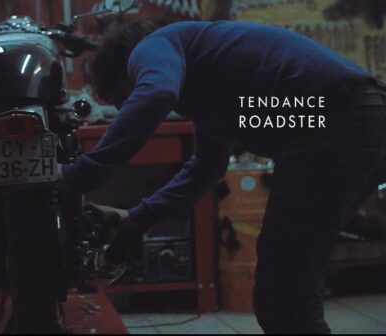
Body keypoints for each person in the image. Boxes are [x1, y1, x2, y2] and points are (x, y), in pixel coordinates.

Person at [60, 19, 386, 334]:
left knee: (284, 298)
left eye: (122, 99)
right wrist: (136, 219)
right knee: (290, 285)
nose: (124, 108)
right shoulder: (210, 83)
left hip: (336, 120)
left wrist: (78, 177)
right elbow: (205, 169)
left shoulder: (154, 44)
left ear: (129, 69)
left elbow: (155, 95)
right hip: (361, 116)